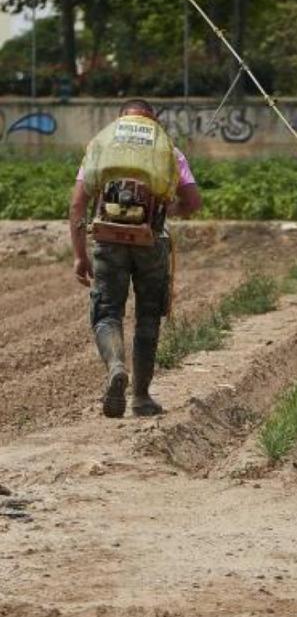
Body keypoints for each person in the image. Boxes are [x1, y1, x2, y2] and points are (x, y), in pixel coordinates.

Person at [68, 99, 202, 418]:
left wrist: (79, 256)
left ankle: (116, 367)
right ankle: (141, 397)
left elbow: (77, 206)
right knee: (148, 316)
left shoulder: (102, 145)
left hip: (107, 240)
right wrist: (172, 208)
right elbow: (194, 201)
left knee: (106, 313)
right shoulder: (167, 149)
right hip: (151, 240)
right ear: (152, 121)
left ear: (120, 120)